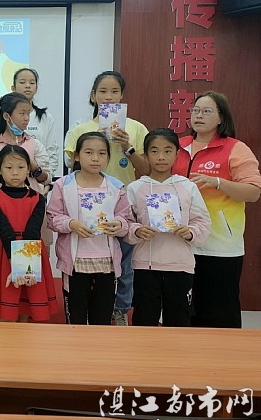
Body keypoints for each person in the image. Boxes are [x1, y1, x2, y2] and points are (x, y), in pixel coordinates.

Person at [64, 71, 148, 326]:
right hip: (87, 208)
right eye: (102, 91)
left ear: (122, 96)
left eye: (114, 92)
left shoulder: (135, 128)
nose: (108, 97)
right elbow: (71, 169)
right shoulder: (80, 130)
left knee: (124, 263)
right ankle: (85, 308)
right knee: (85, 262)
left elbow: (145, 169)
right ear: (93, 96)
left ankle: (120, 309)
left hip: (123, 204)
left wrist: (127, 147)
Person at [172, 91, 261, 328]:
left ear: (221, 117)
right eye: (196, 110)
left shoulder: (235, 148)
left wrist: (218, 183)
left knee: (219, 312)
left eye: (207, 111)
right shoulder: (178, 146)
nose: (199, 115)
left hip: (220, 245)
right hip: (181, 243)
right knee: (184, 311)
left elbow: (253, 192)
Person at [126, 129, 210, 327]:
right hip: (145, 265)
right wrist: (137, 230)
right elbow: (125, 223)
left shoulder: (188, 187)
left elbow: (203, 222)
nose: (161, 157)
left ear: (177, 154)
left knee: (179, 321)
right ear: (146, 155)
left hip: (180, 265)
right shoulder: (135, 188)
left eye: (167, 151)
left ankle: (178, 349)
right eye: (154, 151)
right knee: (144, 320)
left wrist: (190, 232)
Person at [47, 132, 129, 325]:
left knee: (102, 317)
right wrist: (71, 224)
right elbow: (52, 217)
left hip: (106, 261)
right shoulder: (63, 185)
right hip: (74, 261)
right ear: (76, 156)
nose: (95, 158)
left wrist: (119, 224)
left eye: (102, 153)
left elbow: (126, 219)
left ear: (108, 157)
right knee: (76, 316)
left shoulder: (115, 186)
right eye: (89, 152)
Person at [0, 145, 58, 322]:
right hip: (2, 252)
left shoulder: (38, 198)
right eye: (9, 167)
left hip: (30, 249)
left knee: (25, 305)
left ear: (28, 169)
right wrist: (16, 261)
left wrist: (24, 265)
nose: (15, 173)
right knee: (5, 307)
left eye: (20, 167)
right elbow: (4, 229)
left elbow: (33, 230)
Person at [0, 92, 50, 197]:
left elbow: (46, 179)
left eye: (28, 114)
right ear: (6, 116)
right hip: (1, 203)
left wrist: (35, 168)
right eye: (22, 113)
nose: (26, 118)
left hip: (31, 203)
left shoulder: (35, 144)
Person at [11, 68, 60, 177]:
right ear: (13, 88)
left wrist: (45, 178)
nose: (27, 86)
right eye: (22, 82)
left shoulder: (46, 117)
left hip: (38, 178)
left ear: (36, 88)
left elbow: (52, 152)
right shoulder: (3, 117)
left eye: (32, 83)